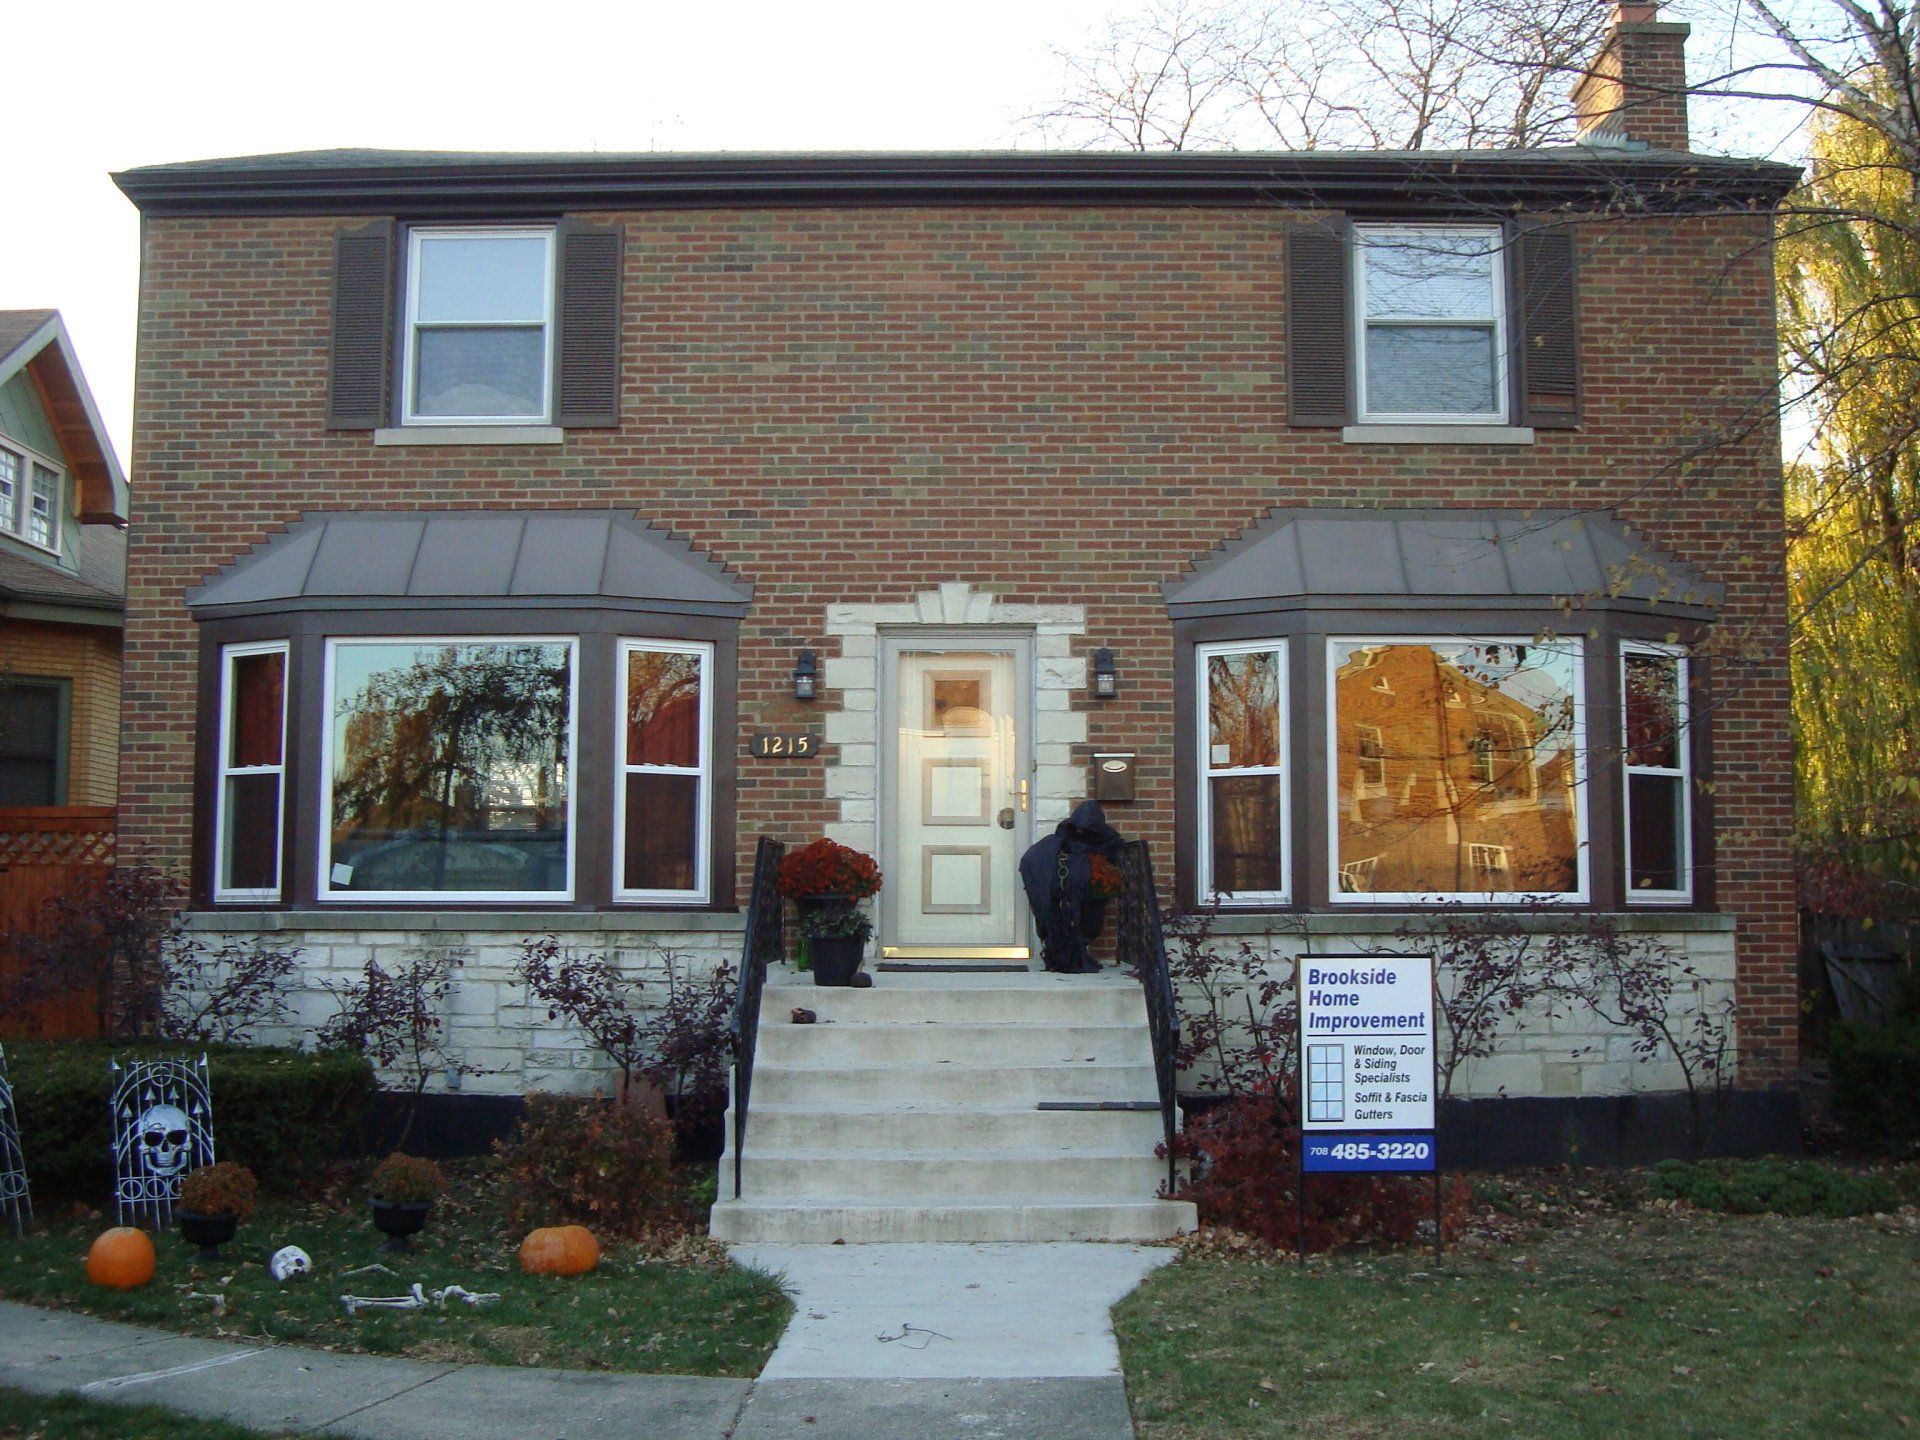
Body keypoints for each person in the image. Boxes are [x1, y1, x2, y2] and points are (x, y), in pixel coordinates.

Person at [1019, 799, 1124, 973]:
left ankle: (1072, 952)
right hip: (1061, 889)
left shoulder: (1105, 839)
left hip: (1085, 893)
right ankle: (1061, 954)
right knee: (1059, 915)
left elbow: (1111, 849)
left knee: (1087, 919)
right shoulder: (1060, 838)